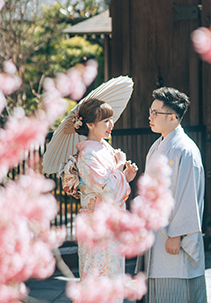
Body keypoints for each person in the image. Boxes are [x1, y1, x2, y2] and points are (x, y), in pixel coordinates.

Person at [61, 98, 138, 292]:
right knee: (96, 274)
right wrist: (120, 166)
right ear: (90, 124)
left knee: (113, 275)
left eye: (111, 119)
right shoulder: (87, 154)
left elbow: (114, 184)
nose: (111, 125)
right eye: (106, 121)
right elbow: (107, 188)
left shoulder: (105, 148)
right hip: (96, 222)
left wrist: (126, 176)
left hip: (110, 220)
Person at [139, 87, 207, 303]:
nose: (150, 117)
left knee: (177, 291)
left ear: (173, 117)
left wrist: (177, 234)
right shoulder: (158, 145)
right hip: (157, 230)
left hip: (173, 235)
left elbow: (188, 194)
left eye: (155, 113)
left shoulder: (185, 149)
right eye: (150, 112)